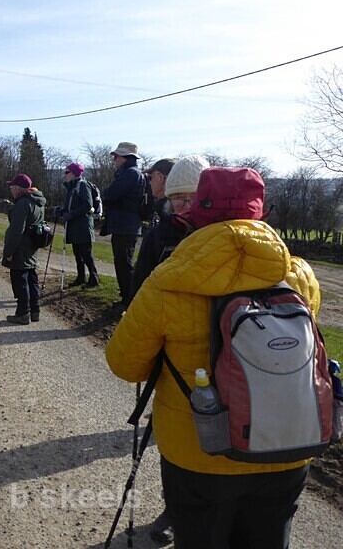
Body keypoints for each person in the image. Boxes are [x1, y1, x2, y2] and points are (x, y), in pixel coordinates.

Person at [106, 167, 321, 549]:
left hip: (199, 454)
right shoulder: (299, 277)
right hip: (285, 450)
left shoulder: (169, 280)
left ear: (198, 212)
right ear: (258, 213)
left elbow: (124, 364)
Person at [127, 154, 207, 544]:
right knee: (174, 435)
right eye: (177, 199)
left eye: (191, 198)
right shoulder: (160, 235)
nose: (184, 206)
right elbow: (139, 291)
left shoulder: (228, 234)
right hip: (174, 356)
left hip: (221, 353)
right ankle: (174, 509)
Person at [131, 154, 209, 301]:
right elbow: (140, 286)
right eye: (179, 197)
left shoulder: (222, 235)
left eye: (194, 197)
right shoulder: (158, 235)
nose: (187, 206)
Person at [101, 142, 145, 307]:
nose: (114, 159)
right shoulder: (130, 173)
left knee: (124, 263)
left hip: (126, 225)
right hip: (126, 225)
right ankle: (126, 296)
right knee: (122, 262)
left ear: (126, 157)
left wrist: (107, 194)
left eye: (116, 156)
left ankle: (129, 299)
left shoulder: (131, 174)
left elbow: (110, 194)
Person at [2, 173, 46, 325]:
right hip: (32, 246)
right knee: (32, 278)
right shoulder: (38, 202)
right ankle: (35, 311)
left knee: (20, 281)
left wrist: (9, 252)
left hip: (20, 247)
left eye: (12, 188)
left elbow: (16, 231)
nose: (11, 191)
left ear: (19, 189)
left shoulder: (23, 203)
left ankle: (22, 313)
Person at [55, 162, 99, 287]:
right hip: (75, 226)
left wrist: (72, 214)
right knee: (77, 254)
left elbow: (87, 205)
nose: (64, 175)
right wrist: (62, 211)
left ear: (74, 173)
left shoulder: (82, 185)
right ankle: (81, 277)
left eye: (67, 172)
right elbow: (71, 206)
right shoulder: (72, 187)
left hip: (83, 226)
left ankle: (94, 279)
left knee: (86, 254)